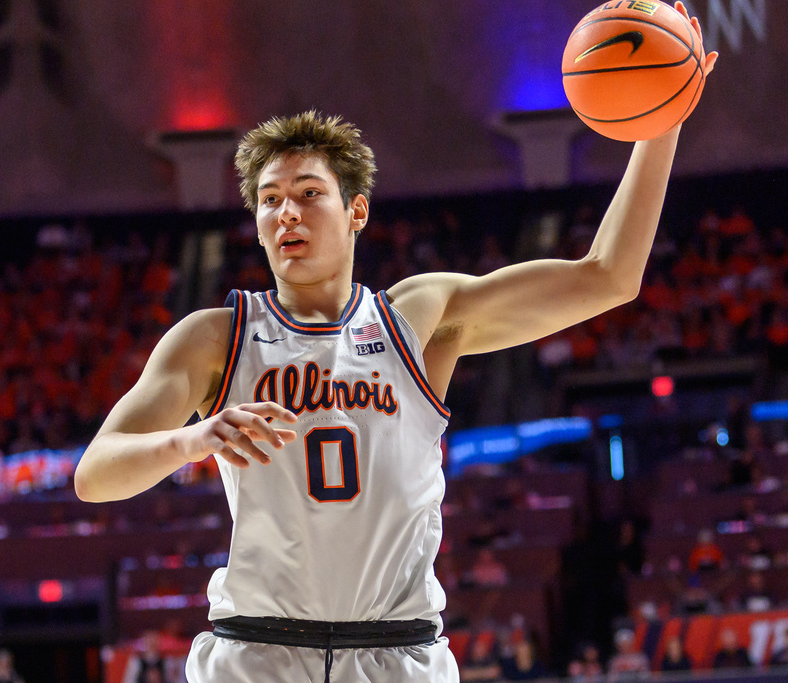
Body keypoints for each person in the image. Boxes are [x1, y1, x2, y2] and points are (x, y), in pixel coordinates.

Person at [73, 10, 718, 680]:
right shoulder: (215, 337)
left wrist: (664, 119)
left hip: (396, 650)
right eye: (269, 200)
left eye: (307, 193)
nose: (285, 213)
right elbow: (95, 473)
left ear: (356, 210)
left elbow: (607, 277)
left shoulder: (418, 317)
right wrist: (194, 437)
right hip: (257, 651)